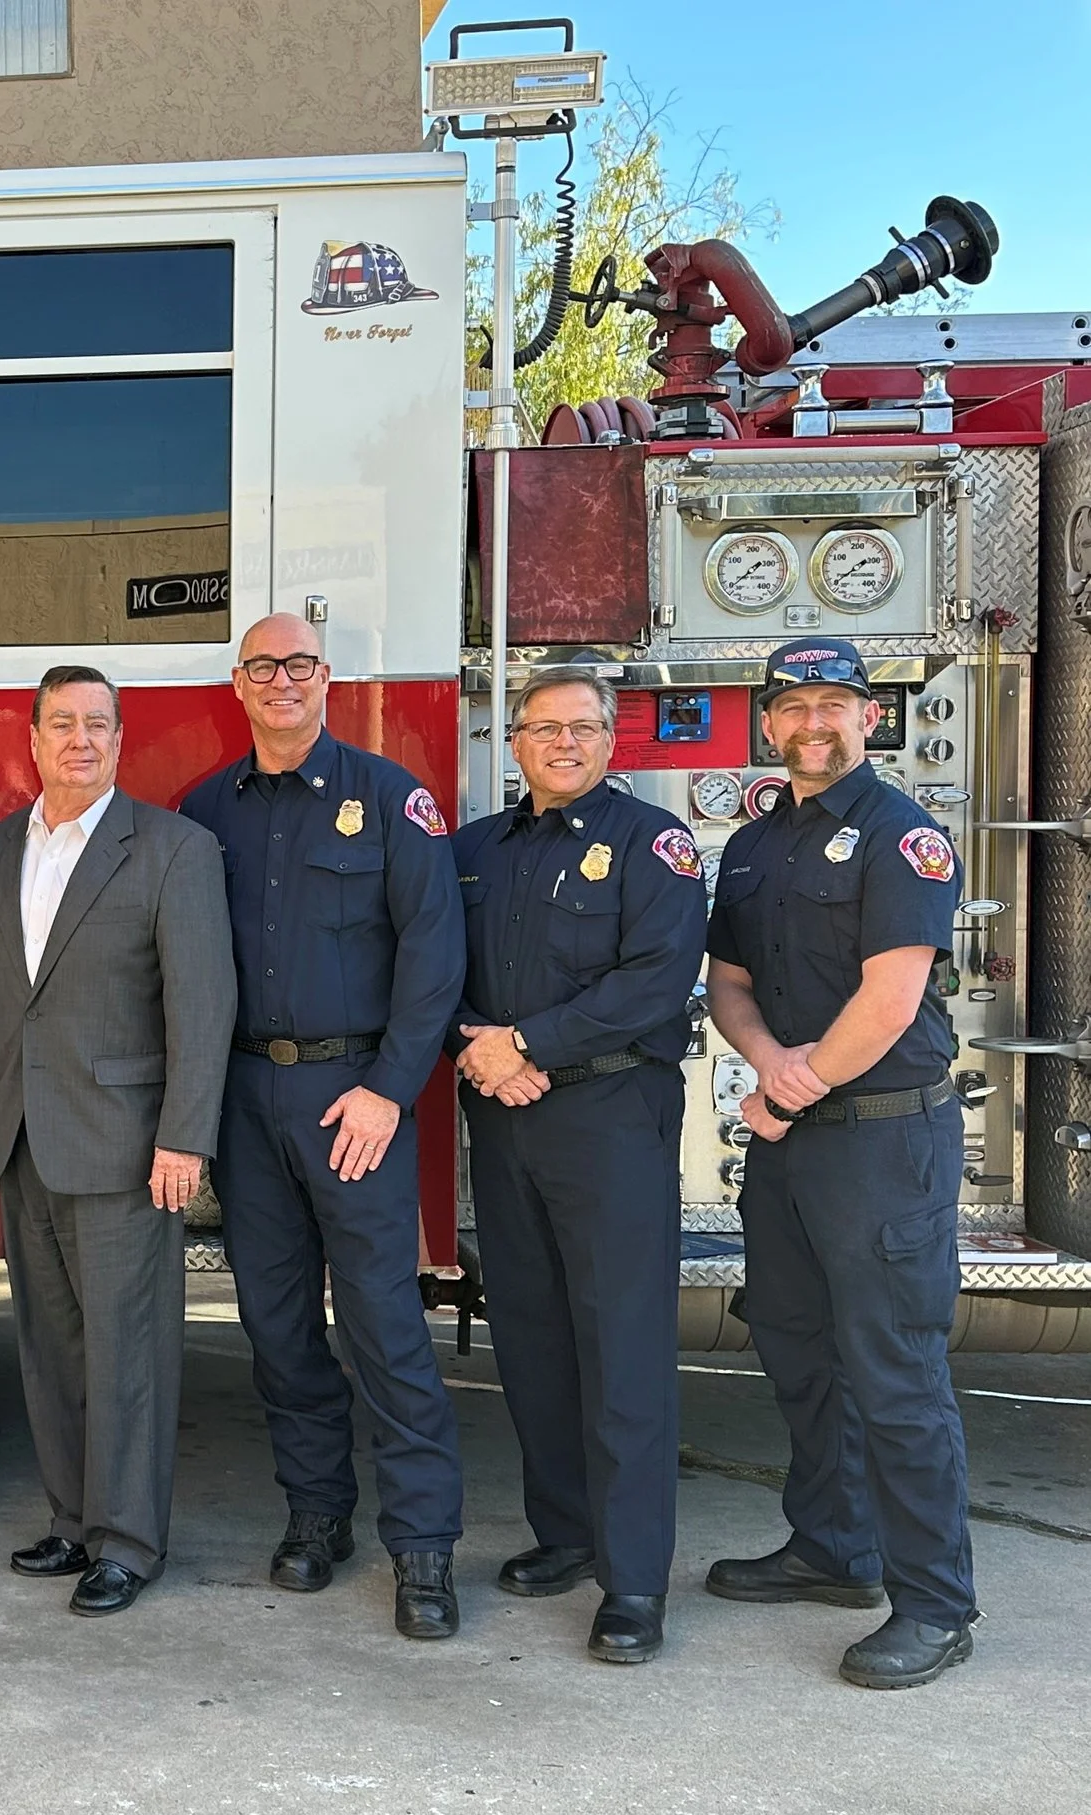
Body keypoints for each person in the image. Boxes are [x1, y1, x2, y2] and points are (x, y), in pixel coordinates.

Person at [180, 612, 469, 1640]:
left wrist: (391, 1088)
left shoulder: (390, 799)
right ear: (239, 684)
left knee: (386, 1327)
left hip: (355, 1099)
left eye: (298, 664)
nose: (281, 681)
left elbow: (434, 956)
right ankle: (316, 1515)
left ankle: (424, 1549)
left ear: (325, 678)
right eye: (262, 667)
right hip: (248, 1101)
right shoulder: (205, 808)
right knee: (276, 1326)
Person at [704, 636, 977, 1690]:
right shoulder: (755, 842)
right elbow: (729, 983)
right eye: (791, 706)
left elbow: (890, 999)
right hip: (793, 1139)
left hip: (881, 1141)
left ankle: (936, 1605)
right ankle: (833, 1548)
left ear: (869, 716)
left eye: (833, 703)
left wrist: (789, 1087)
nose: (811, 723)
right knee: (797, 1348)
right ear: (766, 722)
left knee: (895, 1376)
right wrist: (769, 1066)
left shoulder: (898, 835)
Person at [449, 670, 707, 1664]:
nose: (564, 742)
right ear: (512, 741)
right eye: (544, 728)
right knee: (531, 1335)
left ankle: (633, 1581)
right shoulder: (474, 850)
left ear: (612, 740)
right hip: (505, 1117)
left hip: (608, 1111)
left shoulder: (654, 845)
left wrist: (527, 1045)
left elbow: (656, 980)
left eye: (583, 727)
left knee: (624, 1348)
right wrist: (476, 1050)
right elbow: (428, 964)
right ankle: (564, 1532)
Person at [0, 666, 233, 1617]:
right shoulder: (2, 848)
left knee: (128, 1350)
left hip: (127, 1144)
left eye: (98, 724)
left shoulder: (172, 848)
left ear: (122, 741)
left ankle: (128, 1540)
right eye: (62, 723)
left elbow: (203, 1008)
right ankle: (73, 1520)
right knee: (50, 1344)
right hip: (26, 1140)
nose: (80, 739)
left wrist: (183, 1139)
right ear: (31, 738)